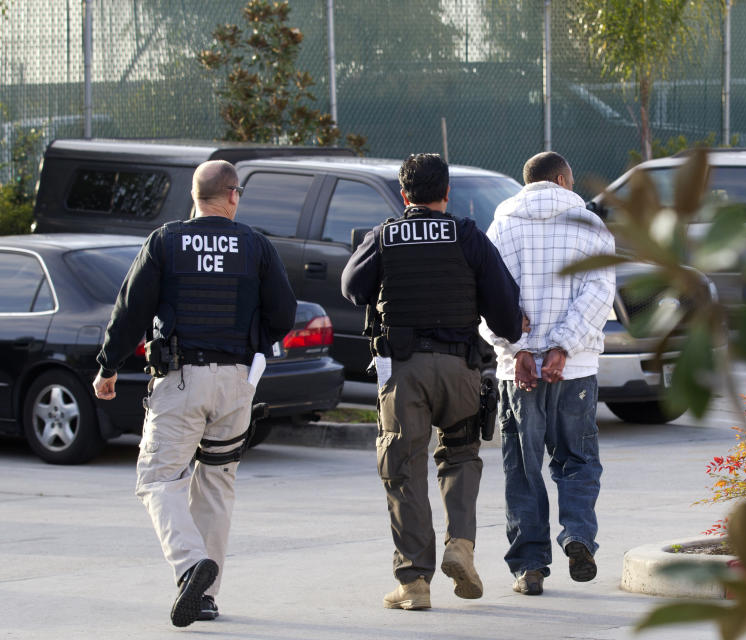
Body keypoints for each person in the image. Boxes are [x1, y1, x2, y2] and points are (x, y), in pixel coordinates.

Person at [92, 160, 296, 627]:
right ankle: (207, 596)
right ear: (232, 196)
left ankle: (189, 566)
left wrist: (108, 366)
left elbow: (131, 309)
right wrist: (251, 345)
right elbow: (284, 312)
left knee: (157, 478)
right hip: (237, 383)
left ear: (194, 195)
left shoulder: (165, 242)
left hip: (182, 380)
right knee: (217, 486)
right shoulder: (255, 245)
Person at [342, 153, 524, 610]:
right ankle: (460, 546)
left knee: (403, 468)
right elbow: (507, 317)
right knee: (461, 457)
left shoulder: (385, 236)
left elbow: (351, 287)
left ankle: (414, 583)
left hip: (404, 372)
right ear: (447, 194)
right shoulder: (468, 236)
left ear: (404, 195)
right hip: (460, 370)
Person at [480, 151, 616, 596]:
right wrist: (563, 346)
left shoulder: (501, 226)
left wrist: (519, 349)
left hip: (516, 375)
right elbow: (599, 295)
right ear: (561, 179)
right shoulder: (590, 226)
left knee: (523, 467)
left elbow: (487, 299)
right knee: (577, 461)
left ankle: (530, 567)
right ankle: (577, 534)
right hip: (573, 370)